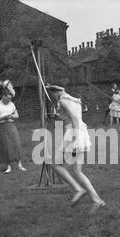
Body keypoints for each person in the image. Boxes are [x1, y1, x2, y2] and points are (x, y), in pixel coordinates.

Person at [46, 85, 106, 213]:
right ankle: (97, 200)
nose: (52, 97)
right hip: (80, 132)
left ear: (55, 92)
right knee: (77, 171)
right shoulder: (74, 100)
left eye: (52, 94)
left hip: (74, 133)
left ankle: (78, 190)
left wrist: (75, 138)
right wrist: (60, 117)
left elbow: (74, 119)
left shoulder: (62, 100)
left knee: (54, 163)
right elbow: (73, 117)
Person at [0, 88, 26, 174]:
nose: (9, 100)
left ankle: (20, 164)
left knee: (16, 143)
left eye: (10, 98)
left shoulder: (11, 104)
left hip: (11, 125)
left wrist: (11, 116)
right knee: (6, 146)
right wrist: (2, 117)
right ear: (3, 96)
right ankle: (8, 166)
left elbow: (17, 115)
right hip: (2, 126)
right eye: (7, 98)